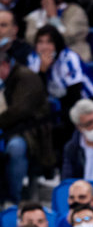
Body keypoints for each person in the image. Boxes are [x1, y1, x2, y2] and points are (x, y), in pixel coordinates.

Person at [0, 51, 52, 205]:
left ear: (4, 65)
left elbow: (20, 111)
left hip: (31, 131)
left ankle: (13, 197)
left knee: (16, 148)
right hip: (10, 128)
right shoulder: (8, 79)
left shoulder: (26, 77)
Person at [24, 0, 91, 62]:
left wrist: (53, 18)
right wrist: (44, 18)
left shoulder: (76, 12)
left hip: (75, 60)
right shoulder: (36, 15)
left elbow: (69, 38)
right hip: (42, 61)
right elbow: (30, 38)